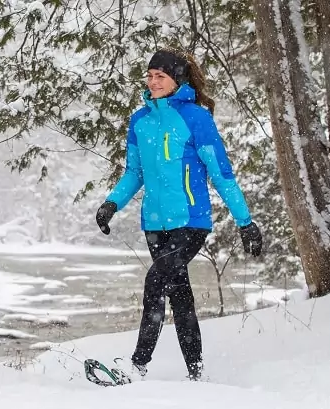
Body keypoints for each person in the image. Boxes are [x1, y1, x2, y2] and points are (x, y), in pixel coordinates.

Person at [95, 48, 263, 381]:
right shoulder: (140, 121)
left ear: (177, 80)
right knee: (180, 296)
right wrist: (111, 203)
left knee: (155, 280)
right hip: (154, 223)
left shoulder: (196, 118)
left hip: (191, 221)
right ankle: (196, 373)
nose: (153, 81)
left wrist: (246, 222)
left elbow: (221, 173)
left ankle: (137, 365)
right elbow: (134, 172)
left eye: (161, 76)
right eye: (150, 75)